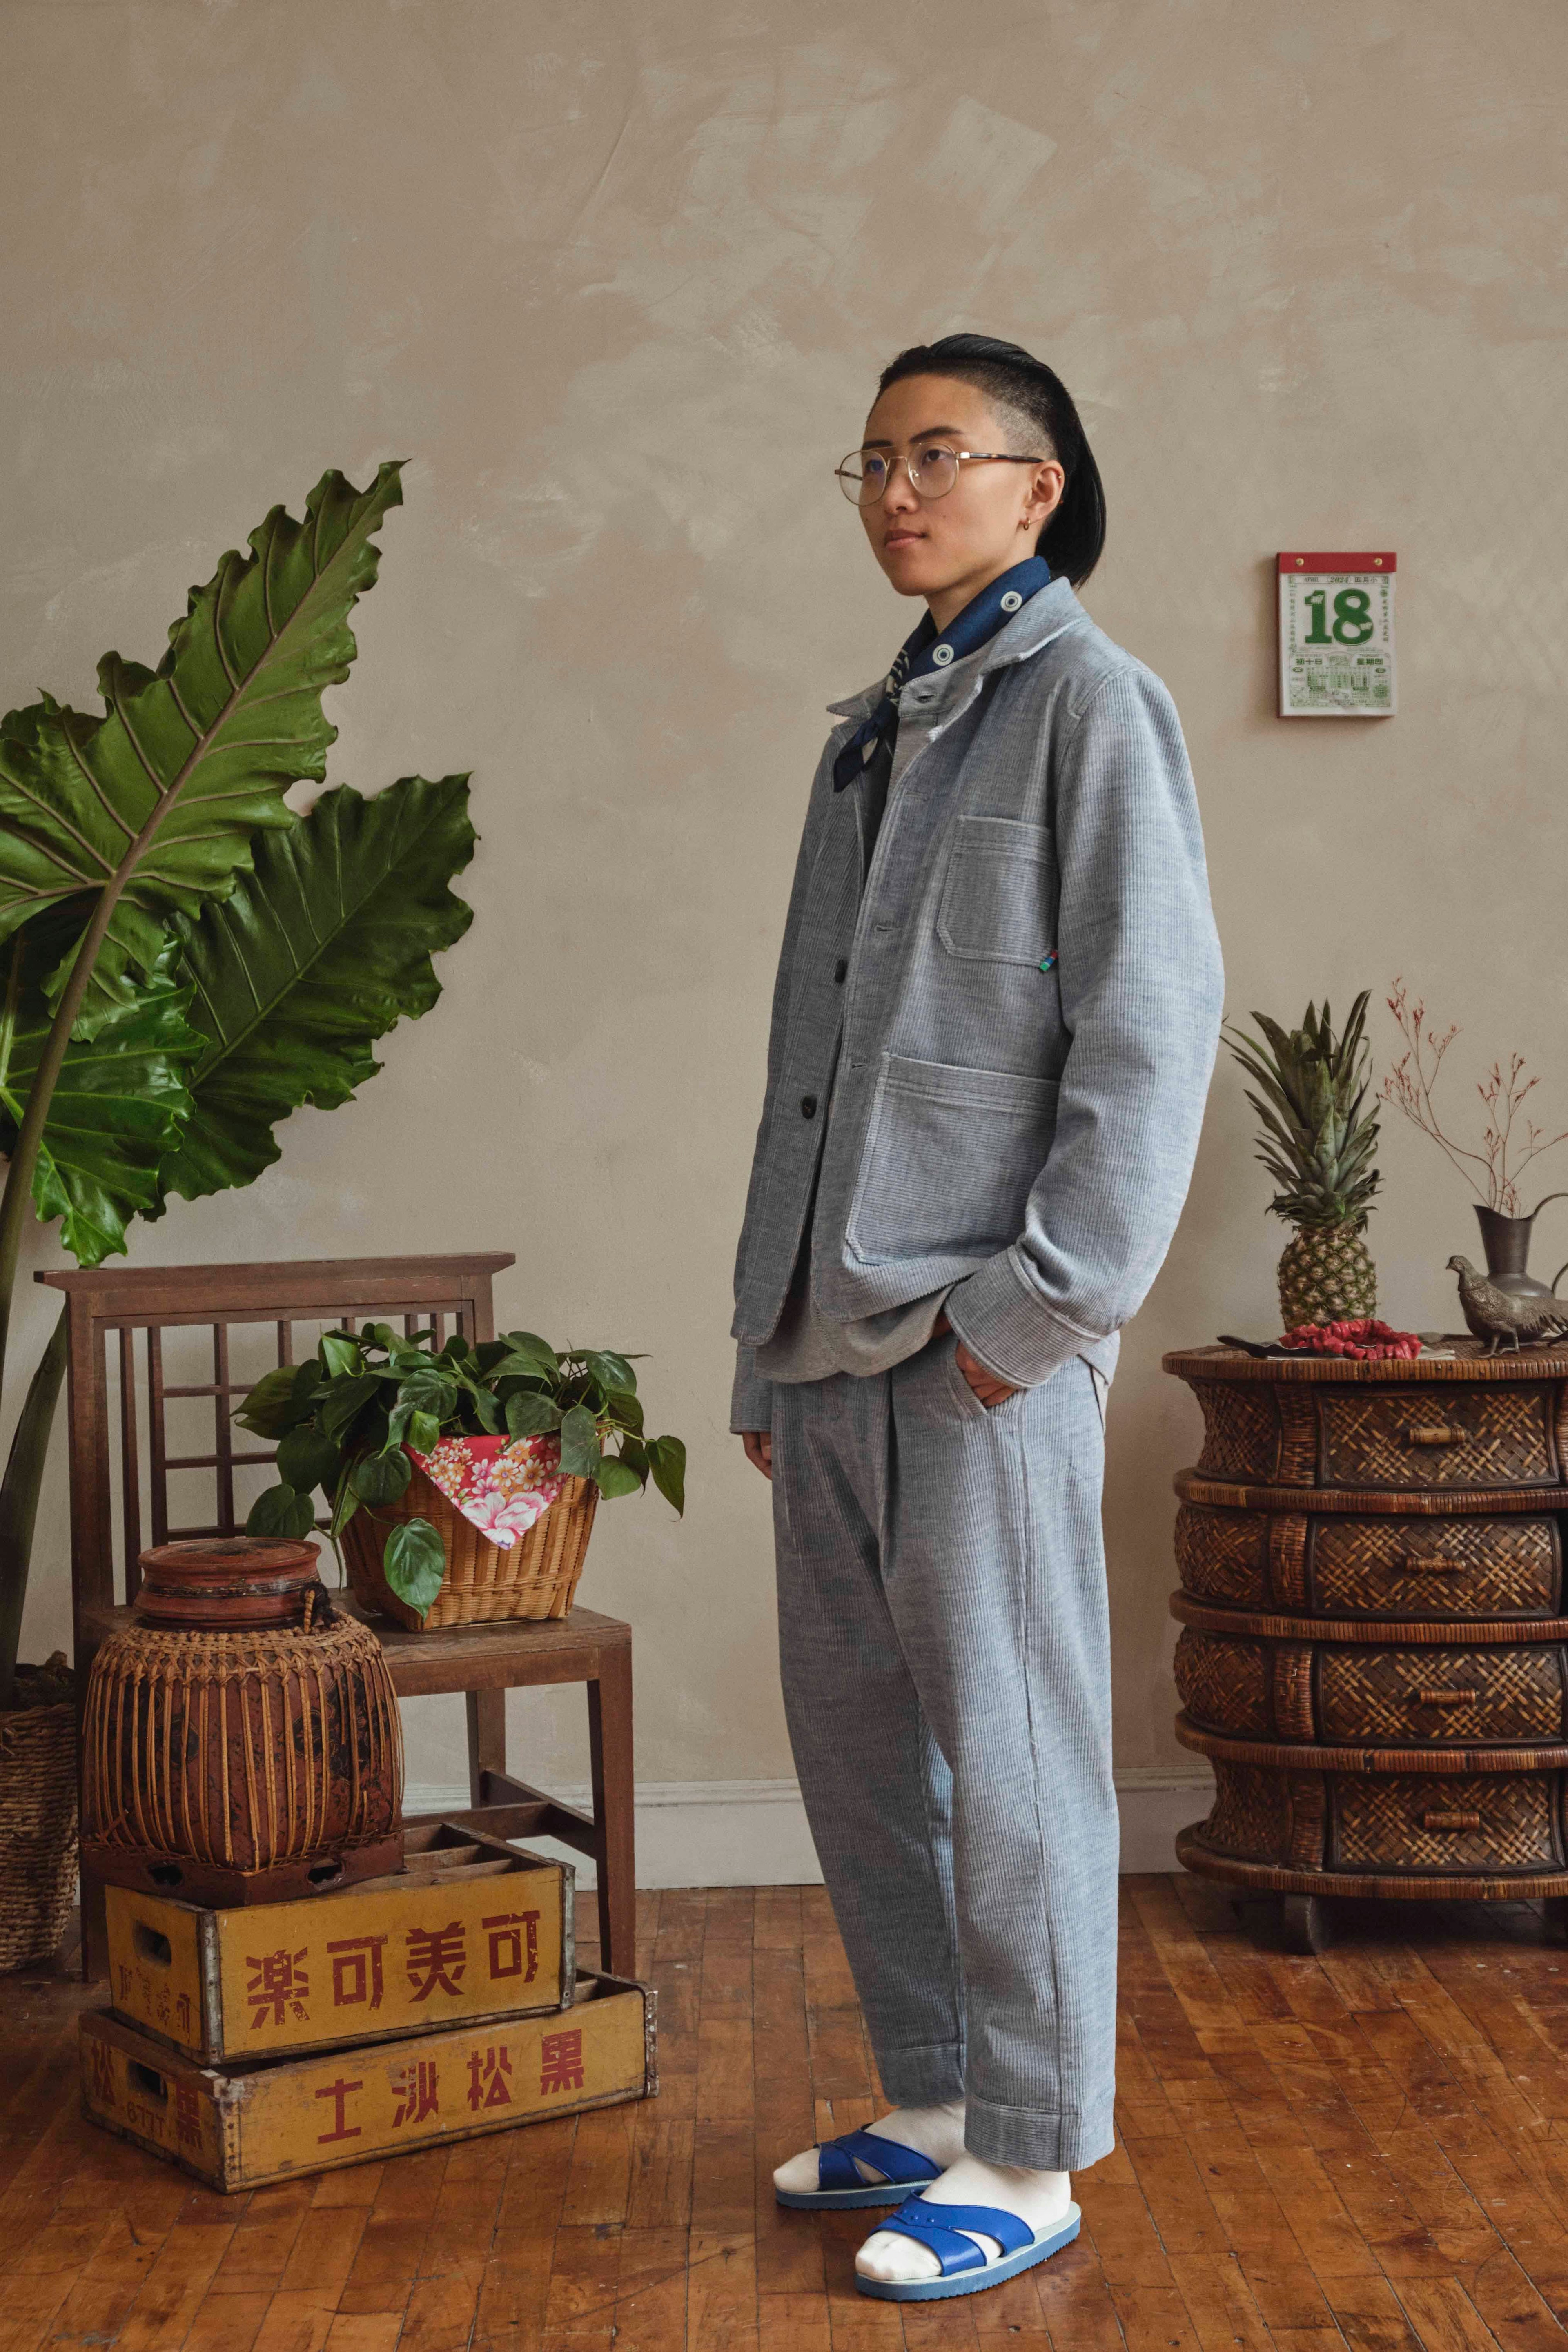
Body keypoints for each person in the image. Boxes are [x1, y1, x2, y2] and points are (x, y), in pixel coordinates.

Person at [728, 331, 1224, 2305]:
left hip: (975, 1343)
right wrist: (759, 1331)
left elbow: (1150, 1045)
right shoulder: (871, 734)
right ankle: (930, 2104)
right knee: (863, 1749)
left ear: (1041, 486)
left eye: (941, 454)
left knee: (1013, 1759)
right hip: (822, 1341)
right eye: (871, 458)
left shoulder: (1096, 710)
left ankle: (1028, 2155)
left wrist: (1036, 1318)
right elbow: (807, 1069)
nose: (898, 489)